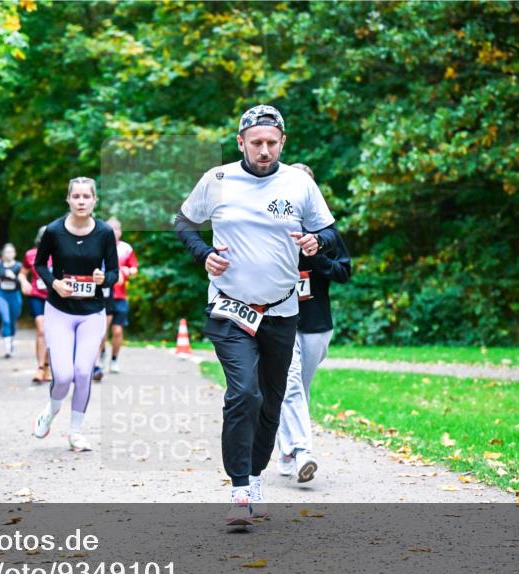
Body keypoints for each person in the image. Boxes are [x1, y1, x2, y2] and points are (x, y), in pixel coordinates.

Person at [175, 104, 338, 527]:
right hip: (230, 308)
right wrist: (204, 253)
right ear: (241, 142)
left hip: (281, 310)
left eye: (271, 143)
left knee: (271, 400)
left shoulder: (299, 182)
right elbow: (183, 222)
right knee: (244, 392)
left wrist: (315, 244)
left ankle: (255, 477)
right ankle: (239, 490)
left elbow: (329, 229)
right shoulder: (218, 180)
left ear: (282, 143)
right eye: (256, 143)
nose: (264, 150)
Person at [276, 163, 352, 483]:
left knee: (299, 390)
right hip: (281, 318)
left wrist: (317, 253)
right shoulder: (275, 226)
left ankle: (286, 451)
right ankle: (303, 451)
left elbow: (344, 271)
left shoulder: (327, 231)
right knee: (288, 382)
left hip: (317, 322)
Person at [32, 177, 119, 452]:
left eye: (86, 197)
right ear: (68, 200)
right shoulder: (54, 231)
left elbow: (114, 274)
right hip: (59, 311)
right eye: (76, 196)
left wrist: (102, 279)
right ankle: (51, 410)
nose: (81, 201)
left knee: (83, 372)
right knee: (63, 374)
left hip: (92, 312)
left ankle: (75, 432)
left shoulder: (104, 232)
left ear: (95, 200)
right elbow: (39, 264)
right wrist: (54, 283)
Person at [93, 217, 138, 379]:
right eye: (110, 228)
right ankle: (102, 354)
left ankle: (114, 359)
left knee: (117, 331)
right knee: (102, 330)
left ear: (120, 231)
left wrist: (127, 271)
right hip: (103, 295)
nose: (113, 232)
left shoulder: (126, 248)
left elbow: (134, 268)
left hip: (120, 295)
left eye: (116, 229)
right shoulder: (98, 246)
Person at [20, 226, 52, 384]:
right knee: (41, 330)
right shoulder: (30, 254)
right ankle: (40, 368)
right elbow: (22, 273)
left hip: (56, 298)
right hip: (37, 296)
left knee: (53, 333)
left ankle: (48, 366)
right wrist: (24, 282)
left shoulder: (61, 253)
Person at [0, 243, 23, 358]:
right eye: (6, 252)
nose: (9, 254)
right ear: (3, 254)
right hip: (2, 295)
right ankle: (7, 349)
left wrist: (14, 277)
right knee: (5, 320)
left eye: (11, 252)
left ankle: (11, 340)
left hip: (14, 295)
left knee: (13, 320)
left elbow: (23, 283)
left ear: (14, 253)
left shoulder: (19, 266)